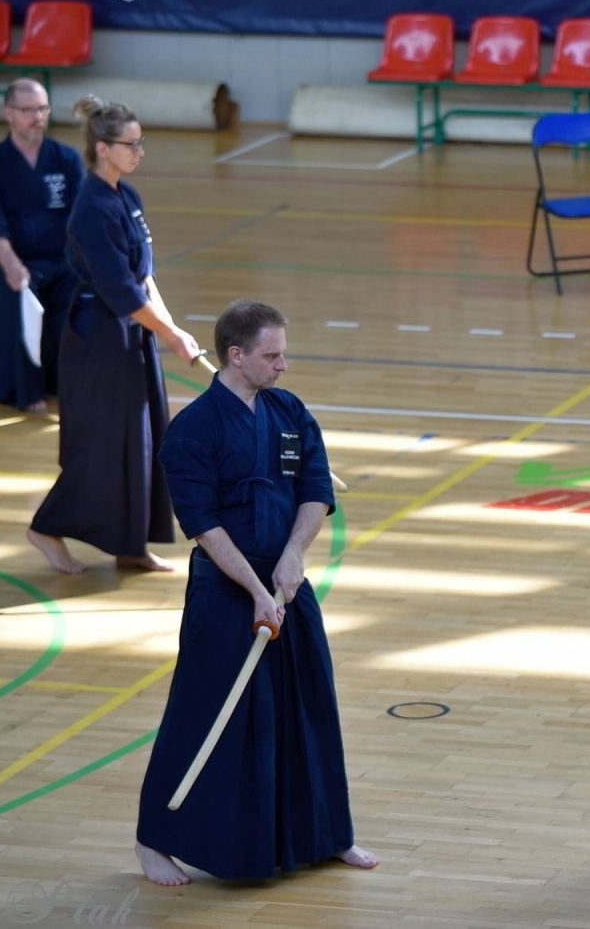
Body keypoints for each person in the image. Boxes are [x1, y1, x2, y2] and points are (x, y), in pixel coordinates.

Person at [135, 299, 378, 885]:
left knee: (308, 705)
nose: (283, 365)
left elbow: (316, 488)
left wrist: (293, 559)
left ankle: (325, 835)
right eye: (272, 356)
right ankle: (154, 840)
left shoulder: (289, 410)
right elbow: (203, 524)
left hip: (287, 583)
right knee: (208, 710)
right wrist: (254, 589)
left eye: (283, 353)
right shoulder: (191, 431)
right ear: (236, 356)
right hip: (227, 590)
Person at [26, 95, 201, 576]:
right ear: (103, 148)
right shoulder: (91, 209)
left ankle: (130, 547)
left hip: (133, 335)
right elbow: (121, 291)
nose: (139, 151)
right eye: (131, 144)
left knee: (142, 441)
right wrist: (169, 335)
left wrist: (172, 328)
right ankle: (46, 527)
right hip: (99, 341)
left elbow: (144, 277)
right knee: (103, 445)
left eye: (141, 142)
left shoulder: (128, 196)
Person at [0, 79, 85, 412]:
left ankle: (70, 383)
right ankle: (25, 392)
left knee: (86, 297)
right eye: (28, 110)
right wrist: (11, 265)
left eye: (43, 108)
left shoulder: (66, 160)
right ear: (9, 114)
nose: (37, 116)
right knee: (17, 294)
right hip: (11, 263)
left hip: (62, 262)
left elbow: (82, 220)